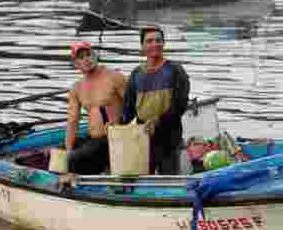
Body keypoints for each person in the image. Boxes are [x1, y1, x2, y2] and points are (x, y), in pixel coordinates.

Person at [122, 25, 191, 175]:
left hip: (169, 134)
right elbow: (128, 109)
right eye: (149, 41)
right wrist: (118, 125)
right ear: (142, 46)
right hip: (143, 135)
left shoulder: (175, 70)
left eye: (158, 40)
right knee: (142, 176)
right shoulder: (136, 74)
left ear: (163, 43)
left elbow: (180, 105)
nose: (155, 44)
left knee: (168, 177)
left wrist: (157, 120)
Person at [65, 41, 128, 174]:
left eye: (88, 54)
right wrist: (68, 149)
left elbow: (133, 105)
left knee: (75, 159)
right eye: (81, 57)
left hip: (112, 139)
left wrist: (120, 122)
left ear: (95, 55)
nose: (86, 59)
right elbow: (72, 121)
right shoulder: (76, 88)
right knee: (63, 154)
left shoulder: (115, 77)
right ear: (76, 64)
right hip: (92, 139)